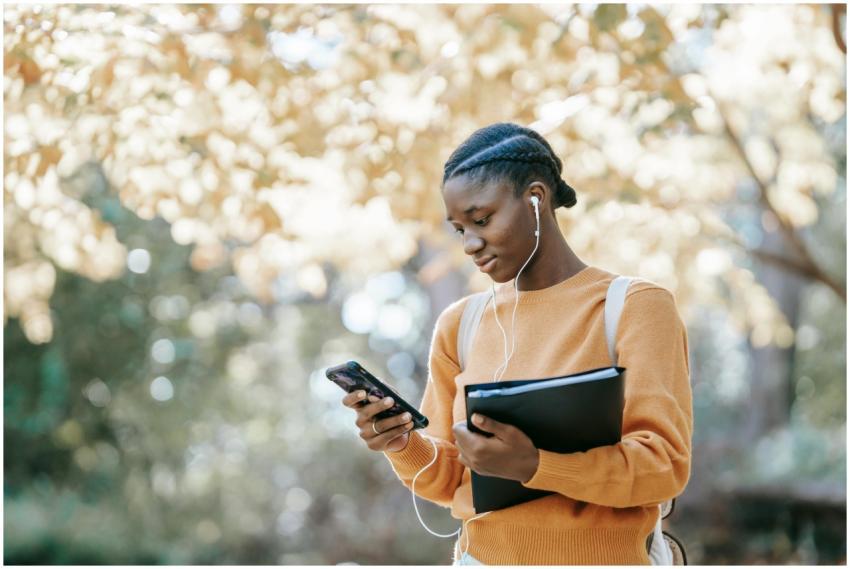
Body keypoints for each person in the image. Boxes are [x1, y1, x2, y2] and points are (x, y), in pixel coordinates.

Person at [341, 122, 693, 565]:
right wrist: (400, 443)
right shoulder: (461, 324)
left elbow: (663, 466)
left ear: (536, 199)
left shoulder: (633, 307)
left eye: (482, 219)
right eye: (459, 229)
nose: (470, 243)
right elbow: (448, 479)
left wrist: (533, 465)